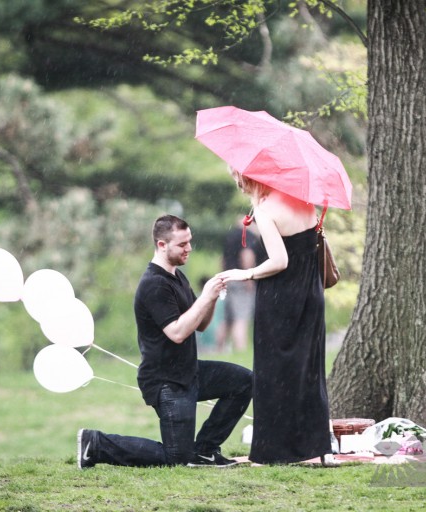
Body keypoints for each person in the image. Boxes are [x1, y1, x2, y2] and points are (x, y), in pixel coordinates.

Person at [78, 215, 253, 469]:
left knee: (244, 381)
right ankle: (96, 444)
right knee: (177, 459)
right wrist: (205, 296)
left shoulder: (178, 277)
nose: (189, 248)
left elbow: (200, 324)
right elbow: (177, 332)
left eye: (189, 242)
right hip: (166, 382)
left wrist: (213, 297)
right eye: (182, 244)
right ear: (162, 245)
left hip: (189, 372)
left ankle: (205, 450)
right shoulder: (154, 284)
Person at [217, 170, 334, 465]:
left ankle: (273, 450)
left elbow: (279, 261)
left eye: (239, 179)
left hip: (281, 299)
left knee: (273, 374)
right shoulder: (303, 201)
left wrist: (247, 273)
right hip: (311, 294)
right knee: (308, 372)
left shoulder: (265, 209)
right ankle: (315, 447)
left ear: (253, 178)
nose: (238, 185)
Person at [216, 218, 265, 352]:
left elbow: (222, 259)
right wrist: (248, 277)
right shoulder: (247, 234)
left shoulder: (231, 235)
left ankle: (219, 350)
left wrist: (223, 277)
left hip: (228, 278)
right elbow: (246, 255)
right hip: (241, 280)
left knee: (227, 319)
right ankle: (240, 350)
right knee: (241, 317)